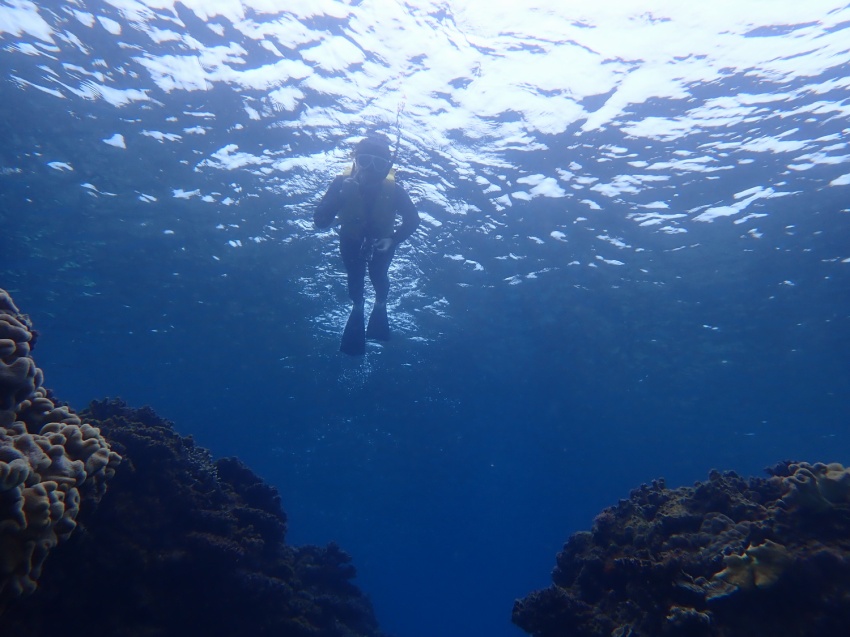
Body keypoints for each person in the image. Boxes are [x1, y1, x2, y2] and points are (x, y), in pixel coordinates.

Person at [314, 132, 420, 355]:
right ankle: (358, 305)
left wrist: (392, 239)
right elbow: (320, 221)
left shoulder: (395, 190)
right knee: (355, 280)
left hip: (382, 243)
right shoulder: (341, 183)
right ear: (355, 161)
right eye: (364, 161)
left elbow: (413, 220)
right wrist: (342, 196)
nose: (370, 170)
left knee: (379, 277)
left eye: (378, 163)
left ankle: (380, 303)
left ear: (386, 167)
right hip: (350, 241)